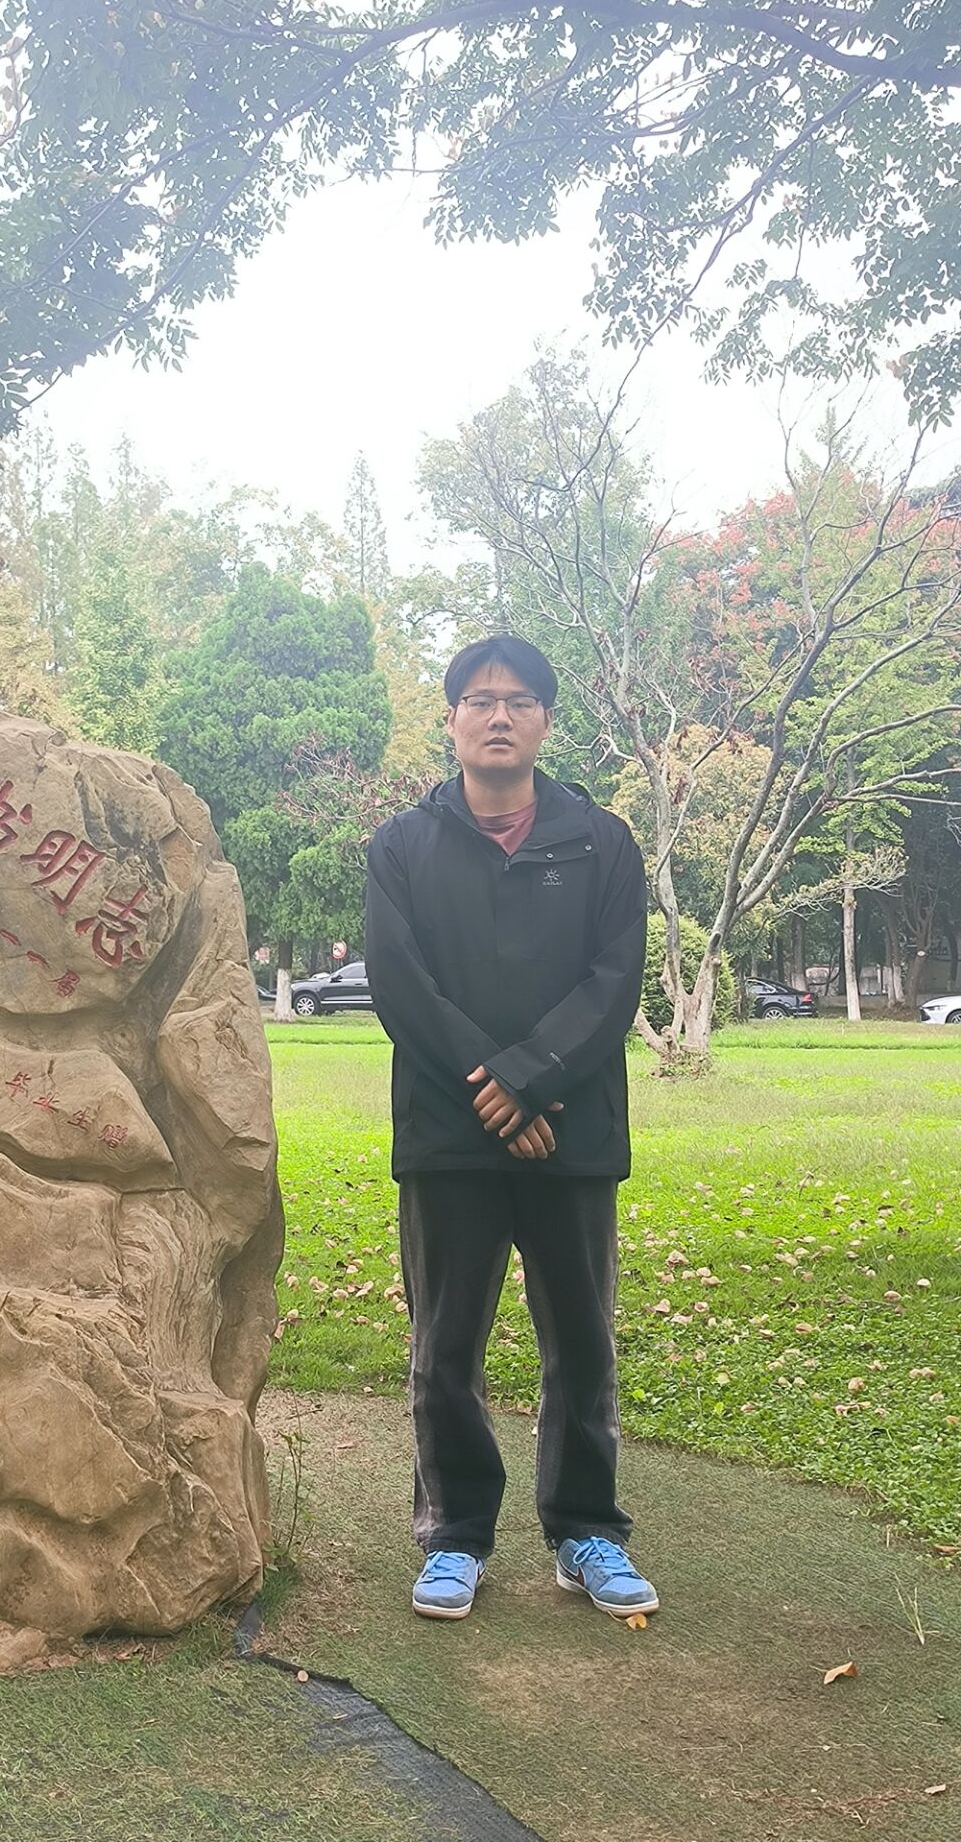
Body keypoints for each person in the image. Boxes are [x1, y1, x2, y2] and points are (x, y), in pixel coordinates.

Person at [364, 634, 657, 1622]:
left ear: (544, 721)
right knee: (445, 1344)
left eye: (519, 700)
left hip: (572, 1132)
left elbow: (614, 980)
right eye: (481, 699)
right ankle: (454, 1535)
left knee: (582, 1339)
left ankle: (586, 1530)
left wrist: (530, 1081)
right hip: (450, 1135)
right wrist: (494, 1093)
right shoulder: (403, 846)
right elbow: (402, 985)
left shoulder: (601, 841)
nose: (499, 715)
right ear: (450, 719)